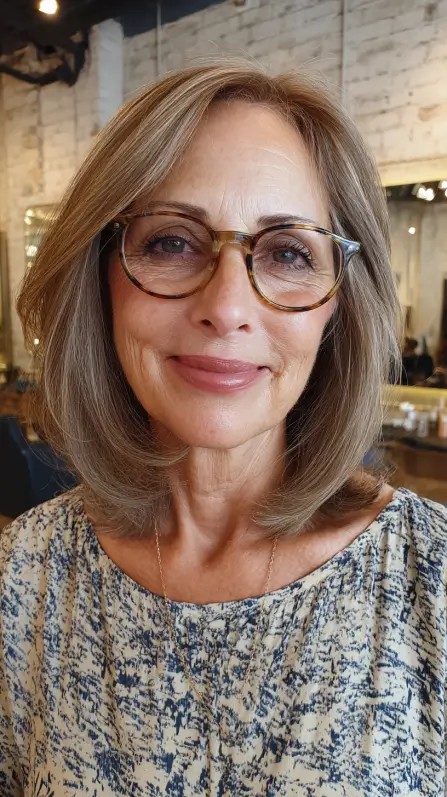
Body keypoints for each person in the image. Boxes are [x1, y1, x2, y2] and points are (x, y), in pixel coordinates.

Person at [1, 57, 446, 796]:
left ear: (337, 307)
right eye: (172, 242)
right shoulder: (28, 575)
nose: (227, 307)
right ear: (100, 277)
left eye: (288, 253)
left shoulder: (431, 578)